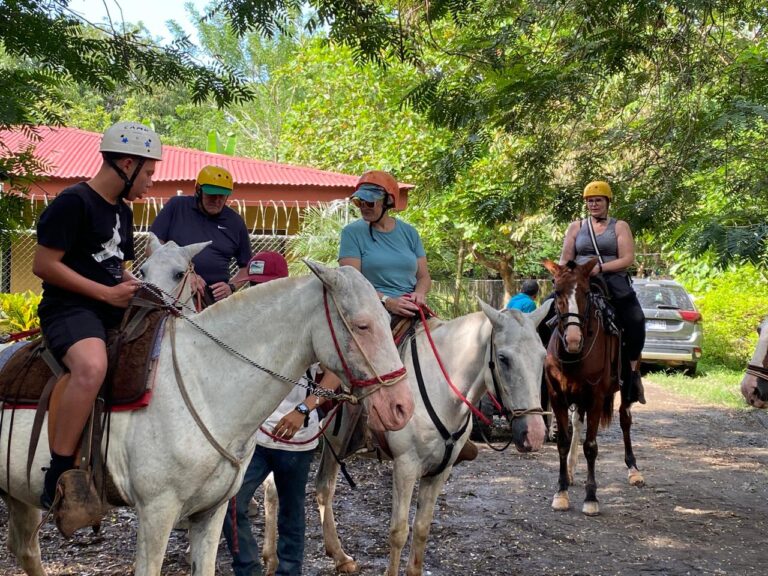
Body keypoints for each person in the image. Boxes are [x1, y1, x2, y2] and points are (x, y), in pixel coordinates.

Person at [33, 121, 162, 507]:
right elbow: (43, 264)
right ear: (126, 163)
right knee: (90, 367)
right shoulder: (73, 203)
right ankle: (59, 474)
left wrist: (137, 285)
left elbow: (114, 264)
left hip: (110, 306)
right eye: (149, 172)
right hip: (69, 309)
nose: (151, 182)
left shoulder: (122, 212)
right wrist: (106, 293)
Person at [222, 251, 336, 576]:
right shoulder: (242, 328)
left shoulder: (307, 328)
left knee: (291, 513)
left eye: (266, 286)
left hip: (296, 439)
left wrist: (304, 409)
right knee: (232, 503)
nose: (260, 293)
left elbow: (335, 374)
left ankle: (289, 572)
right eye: (255, 285)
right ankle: (248, 569)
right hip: (251, 437)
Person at [559, 180, 646, 404]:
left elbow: (628, 259)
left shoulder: (619, 226)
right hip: (579, 279)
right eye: (590, 201)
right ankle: (544, 368)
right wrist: (568, 274)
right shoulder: (576, 227)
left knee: (635, 320)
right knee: (549, 310)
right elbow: (565, 257)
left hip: (611, 279)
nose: (594, 204)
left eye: (598, 200)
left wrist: (601, 268)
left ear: (608, 202)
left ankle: (633, 373)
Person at [149, 165, 251, 306]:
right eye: (211, 195)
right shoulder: (177, 206)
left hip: (213, 300)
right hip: (171, 292)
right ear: (198, 189)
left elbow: (248, 267)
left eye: (221, 196)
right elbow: (152, 247)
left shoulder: (235, 222)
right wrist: (186, 274)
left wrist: (231, 287)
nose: (216, 200)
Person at [338, 170, 431, 318]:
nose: (363, 207)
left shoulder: (409, 232)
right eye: (358, 202)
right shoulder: (351, 233)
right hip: (372, 310)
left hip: (410, 307)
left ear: (387, 202)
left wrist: (419, 293)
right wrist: (387, 301)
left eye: (369, 202)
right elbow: (353, 282)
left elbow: (424, 277)